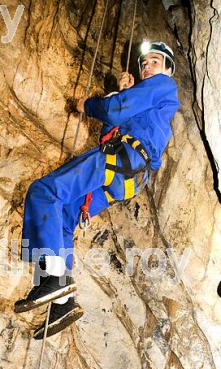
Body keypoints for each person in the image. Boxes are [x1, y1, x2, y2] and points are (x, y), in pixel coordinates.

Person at [14, 41, 180, 340]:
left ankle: (52, 277)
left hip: (120, 159)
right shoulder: (149, 100)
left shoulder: (163, 86)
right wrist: (122, 94)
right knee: (63, 215)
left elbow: (113, 113)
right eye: (144, 63)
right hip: (125, 176)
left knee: (44, 192)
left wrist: (88, 104)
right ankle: (62, 302)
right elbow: (112, 126)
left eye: (154, 61)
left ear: (168, 70)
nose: (147, 66)